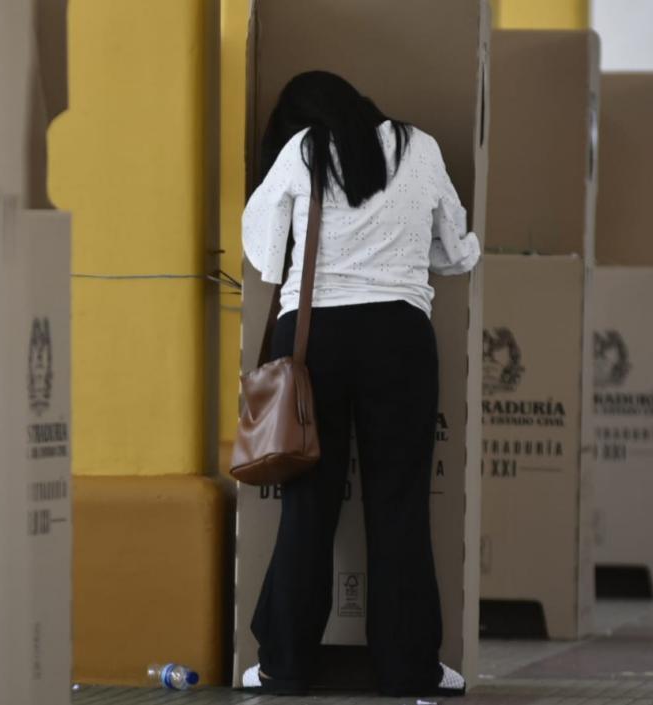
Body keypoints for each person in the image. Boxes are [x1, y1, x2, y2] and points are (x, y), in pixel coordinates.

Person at [239, 70, 480, 697]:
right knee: (400, 505)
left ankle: (284, 667)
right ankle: (410, 671)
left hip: (315, 339)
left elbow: (265, 253)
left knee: (308, 506)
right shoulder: (420, 148)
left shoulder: (303, 152)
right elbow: (457, 253)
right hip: (400, 339)